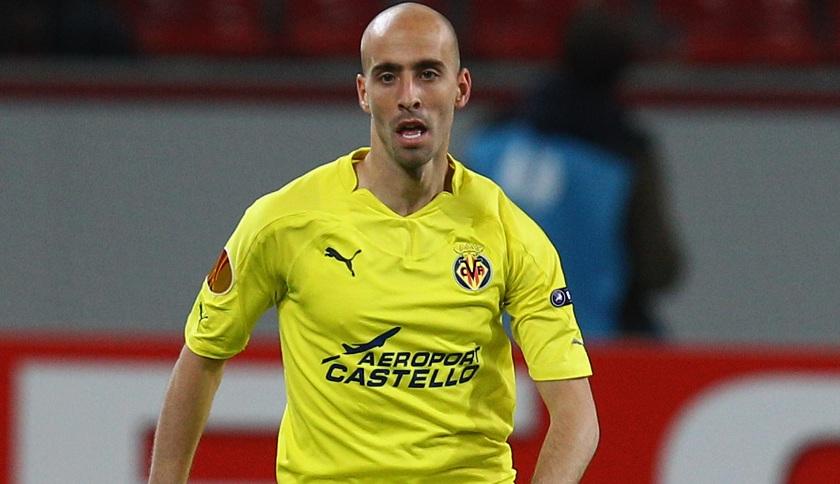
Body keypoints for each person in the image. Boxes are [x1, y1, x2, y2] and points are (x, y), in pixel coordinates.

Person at [148, 3, 598, 483]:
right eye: (388, 77)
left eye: (428, 74)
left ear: (461, 88)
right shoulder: (283, 222)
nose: (409, 96)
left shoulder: (510, 234)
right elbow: (201, 360)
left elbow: (576, 418)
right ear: (364, 93)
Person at [466, 4, 682, 340]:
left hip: (488, 342)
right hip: (588, 346)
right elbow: (658, 268)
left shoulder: (490, 137)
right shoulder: (624, 155)